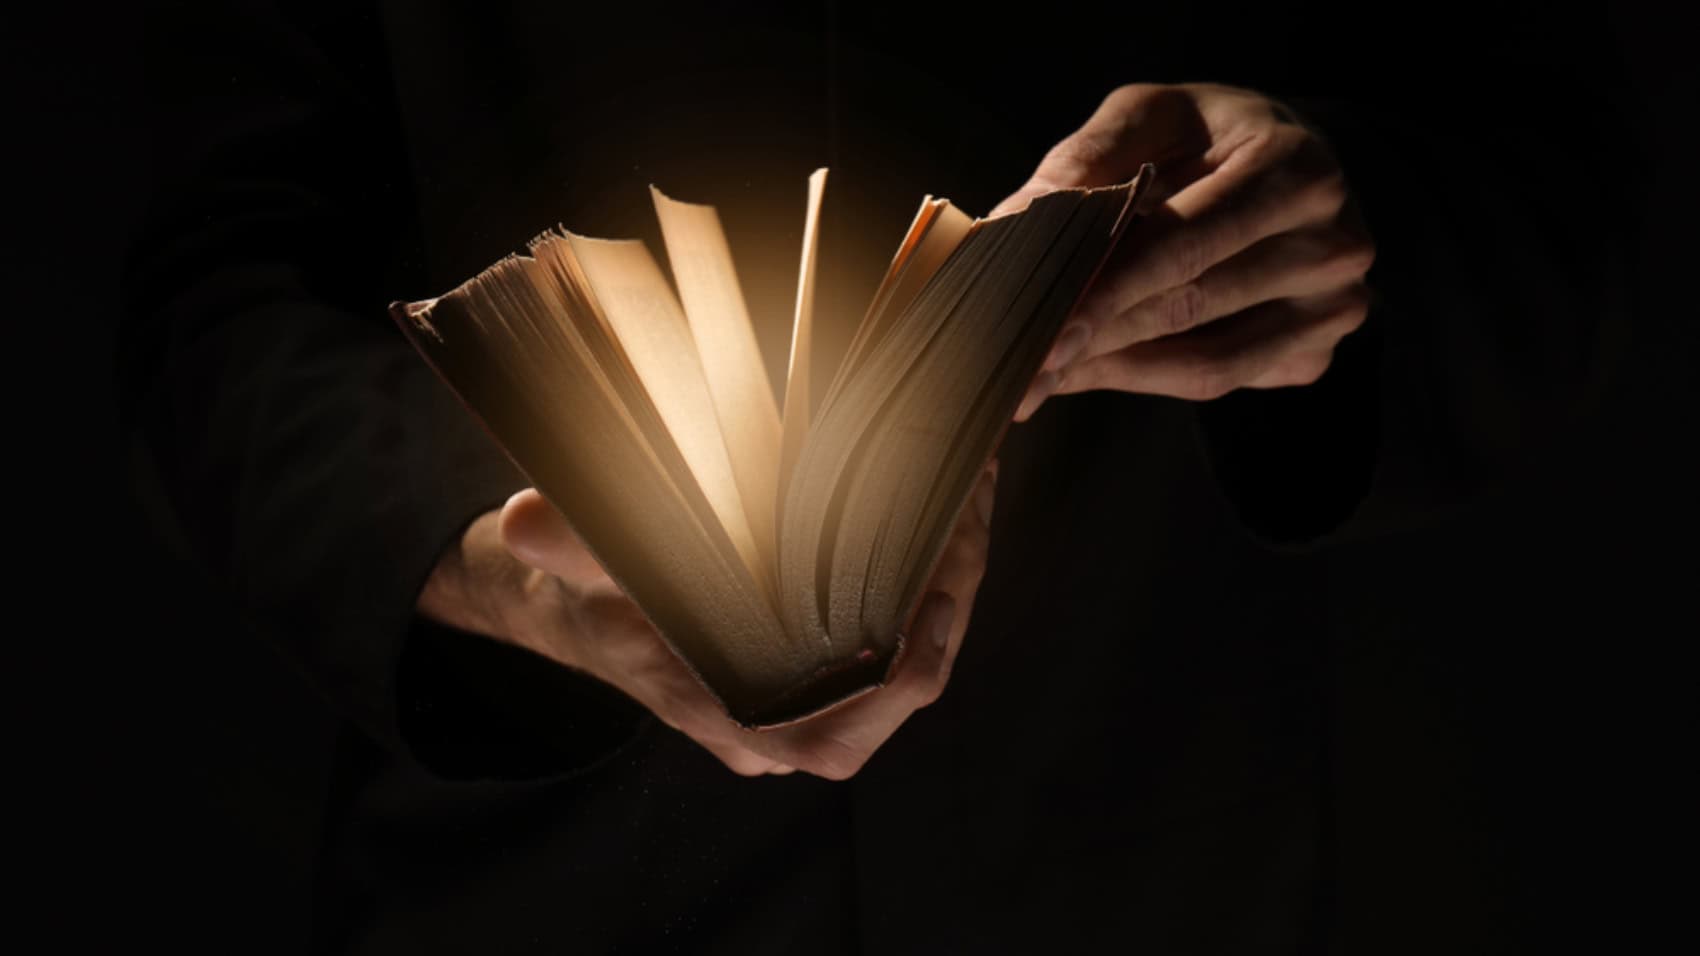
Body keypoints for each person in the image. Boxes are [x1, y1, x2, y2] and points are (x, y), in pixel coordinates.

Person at [120, 1, 1638, 951]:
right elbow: (203, 276)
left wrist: (1339, 220)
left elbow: (1546, 165)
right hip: (541, 881)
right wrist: (481, 545)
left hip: (1143, 841)